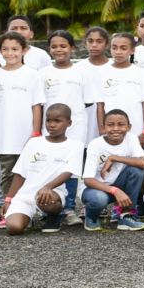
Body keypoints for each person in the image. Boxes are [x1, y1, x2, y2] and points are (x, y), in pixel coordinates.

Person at [0, 32, 45, 228]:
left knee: (31, 173)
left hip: (26, 135)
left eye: (15, 49)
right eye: (5, 49)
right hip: (3, 136)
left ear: (24, 50)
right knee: (8, 174)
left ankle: (28, 211)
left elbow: (37, 106)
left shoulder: (33, 75)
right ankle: (7, 212)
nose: (10, 53)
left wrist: (35, 133)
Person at [39, 30, 94, 226]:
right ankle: (49, 206)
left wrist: (69, 119)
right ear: (49, 49)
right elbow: (39, 103)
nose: (58, 49)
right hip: (50, 128)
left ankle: (69, 207)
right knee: (51, 164)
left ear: (72, 48)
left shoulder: (81, 72)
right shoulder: (43, 73)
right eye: (54, 46)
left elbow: (87, 101)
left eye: (63, 46)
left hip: (76, 127)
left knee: (71, 167)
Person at [1, 104, 81, 235]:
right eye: (48, 120)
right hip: (25, 195)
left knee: (48, 198)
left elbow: (69, 172)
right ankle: (28, 216)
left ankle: (54, 216)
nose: (51, 124)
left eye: (57, 121)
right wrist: (9, 199)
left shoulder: (75, 145)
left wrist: (48, 187)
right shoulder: (34, 143)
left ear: (69, 123)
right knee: (14, 228)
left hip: (52, 194)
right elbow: (20, 173)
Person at [81, 110, 144, 232]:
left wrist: (114, 157)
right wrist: (115, 190)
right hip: (98, 189)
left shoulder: (131, 138)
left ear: (129, 127)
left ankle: (126, 216)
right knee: (98, 199)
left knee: (137, 170)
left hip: (120, 185)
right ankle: (91, 217)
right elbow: (88, 180)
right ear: (103, 127)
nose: (116, 128)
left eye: (121, 124)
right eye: (110, 124)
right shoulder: (95, 144)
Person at [96, 33, 144, 149]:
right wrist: (102, 129)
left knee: (136, 164)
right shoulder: (101, 73)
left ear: (132, 50)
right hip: (111, 131)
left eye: (123, 48)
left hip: (136, 131)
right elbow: (100, 105)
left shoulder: (141, 73)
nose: (118, 52)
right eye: (114, 48)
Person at [78, 26, 112, 149]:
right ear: (85, 43)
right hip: (86, 120)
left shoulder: (114, 66)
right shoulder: (78, 68)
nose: (94, 45)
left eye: (99, 41)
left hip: (110, 119)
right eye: (90, 41)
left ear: (107, 44)